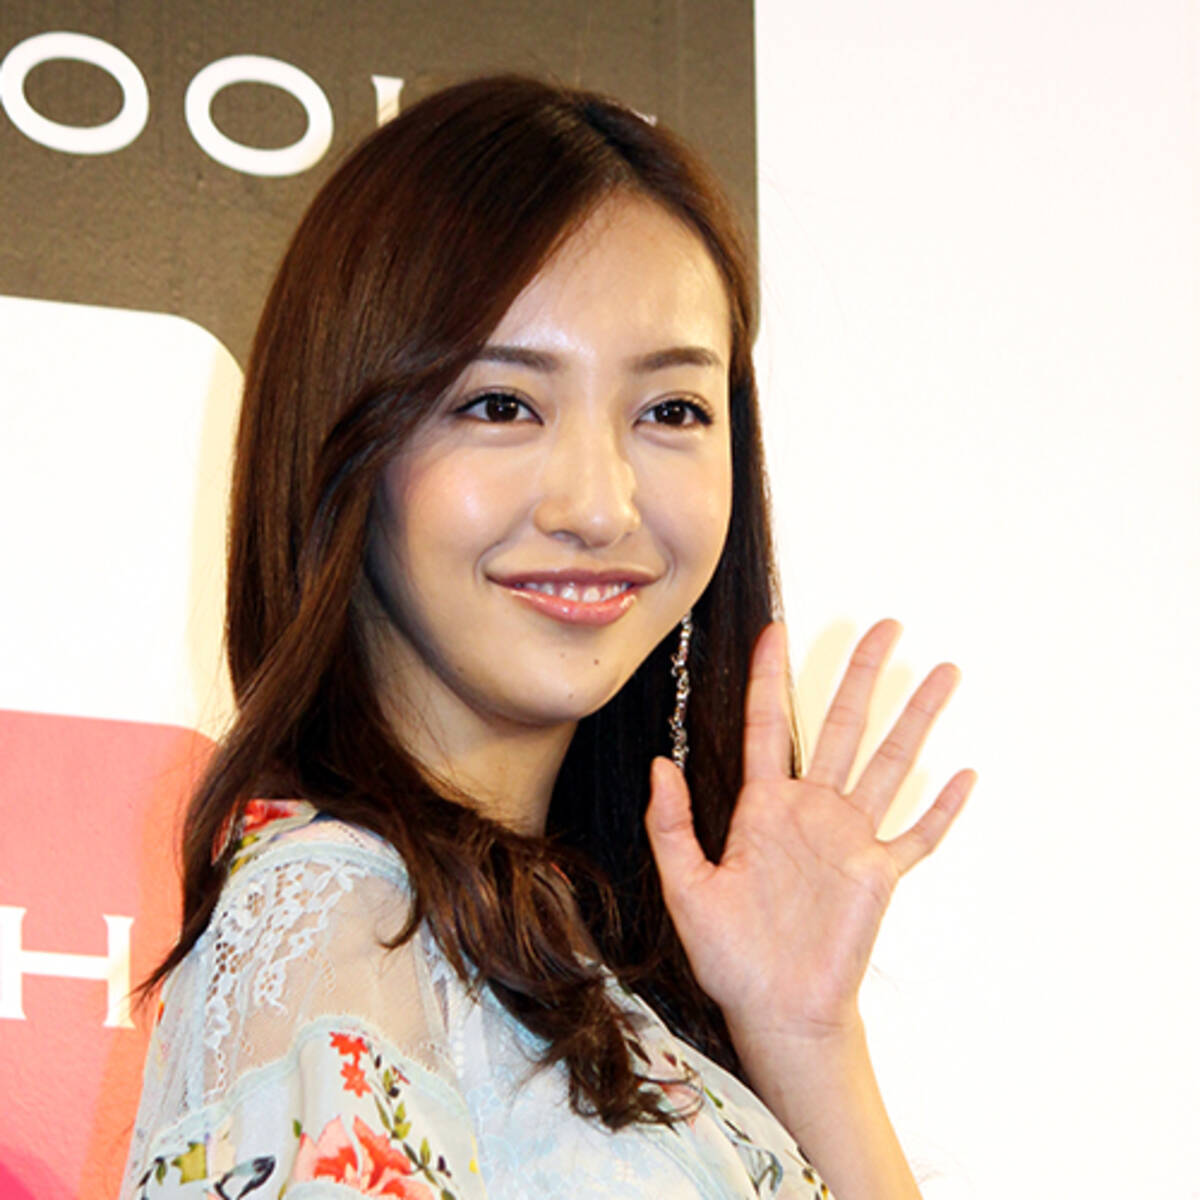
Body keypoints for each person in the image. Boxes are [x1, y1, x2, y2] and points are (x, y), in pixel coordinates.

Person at [121, 75, 974, 1200]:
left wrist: (808, 1037)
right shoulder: (344, 921)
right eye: (501, 404)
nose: (600, 506)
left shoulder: (564, 957)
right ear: (346, 441)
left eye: (670, 411)